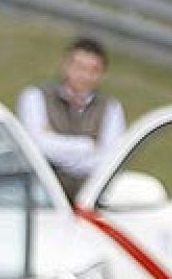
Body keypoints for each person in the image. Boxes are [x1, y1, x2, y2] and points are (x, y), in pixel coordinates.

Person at [16, 37, 127, 200]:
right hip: (39, 196)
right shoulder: (35, 97)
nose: (85, 76)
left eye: (94, 70)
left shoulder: (111, 108)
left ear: (102, 74)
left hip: (88, 200)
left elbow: (110, 160)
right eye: (80, 67)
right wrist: (88, 146)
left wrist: (57, 148)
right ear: (66, 66)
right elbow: (36, 146)